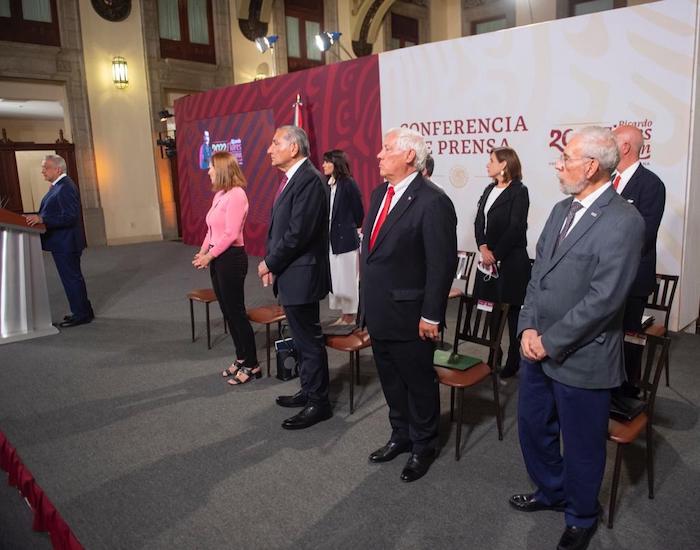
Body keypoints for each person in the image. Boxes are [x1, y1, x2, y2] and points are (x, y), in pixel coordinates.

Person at [511, 127, 644, 550]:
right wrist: (528, 327)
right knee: (534, 428)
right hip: (536, 349)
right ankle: (552, 492)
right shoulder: (559, 210)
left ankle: (581, 516)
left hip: (583, 356)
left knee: (584, 445)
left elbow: (604, 300)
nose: (558, 165)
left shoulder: (624, 220)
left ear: (590, 166)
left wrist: (550, 341)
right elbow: (538, 277)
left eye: (565, 158)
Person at [361, 127, 457, 482]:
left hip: (413, 315)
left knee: (418, 383)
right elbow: (372, 254)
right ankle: (400, 434)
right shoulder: (378, 194)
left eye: (387, 149)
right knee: (390, 380)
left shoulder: (433, 201)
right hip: (380, 311)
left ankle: (423, 445)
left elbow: (440, 264)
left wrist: (432, 314)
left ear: (409, 156)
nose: (378, 155)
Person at [258, 125, 332, 430]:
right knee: (302, 339)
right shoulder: (294, 179)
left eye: (275, 143)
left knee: (309, 340)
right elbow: (281, 228)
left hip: (302, 274)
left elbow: (297, 233)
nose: (269, 149)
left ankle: (319, 402)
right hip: (292, 273)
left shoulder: (310, 181)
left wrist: (269, 263)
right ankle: (309, 389)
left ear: (293, 148)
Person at [192, 151, 259, 385]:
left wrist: (209, 256)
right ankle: (241, 357)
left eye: (211, 167)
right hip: (217, 257)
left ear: (221, 169)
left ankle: (252, 364)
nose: (208, 171)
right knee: (227, 312)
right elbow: (211, 230)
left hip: (230, 258)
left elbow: (230, 234)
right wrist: (203, 252)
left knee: (237, 312)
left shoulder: (237, 195)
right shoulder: (221, 194)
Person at [612, 125, 666, 396]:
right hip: (605, 276)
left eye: (612, 141)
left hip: (632, 278)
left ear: (625, 147)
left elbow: (644, 233)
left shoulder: (651, 184)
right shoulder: (608, 180)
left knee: (629, 338)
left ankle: (626, 392)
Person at [473, 147, 531, 379]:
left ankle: (514, 361)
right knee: (491, 311)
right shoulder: (488, 189)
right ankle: (493, 355)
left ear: (504, 165)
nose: (487, 164)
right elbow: (479, 221)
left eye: (491, 161)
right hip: (488, 262)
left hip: (511, 263)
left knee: (513, 313)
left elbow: (516, 227)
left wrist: (495, 254)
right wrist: (482, 247)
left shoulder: (519, 191)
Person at [25, 155, 93, 328]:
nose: (42, 171)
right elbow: (53, 211)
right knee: (72, 278)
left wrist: (43, 219)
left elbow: (70, 217)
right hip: (62, 242)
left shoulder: (65, 187)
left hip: (66, 242)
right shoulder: (58, 186)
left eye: (45, 167)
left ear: (58, 169)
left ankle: (81, 314)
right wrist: (39, 217)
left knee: (71, 279)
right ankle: (83, 311)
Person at [322, 149, 364, 325]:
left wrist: (349, 228)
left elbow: (358, 212)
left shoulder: (348, 183)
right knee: (337, 279)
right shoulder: (329, 184)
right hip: (332, 240)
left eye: (326, 161)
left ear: (336, 163)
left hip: (345, 240)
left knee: (347, 279)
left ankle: (350, 317)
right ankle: (344, 315)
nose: (323, 165)